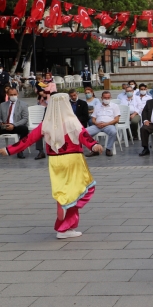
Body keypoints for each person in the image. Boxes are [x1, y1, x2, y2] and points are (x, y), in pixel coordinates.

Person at [0, 94, 103, 239]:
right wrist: (94, 145)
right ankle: (65, 227)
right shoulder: (72, 121)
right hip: (73, 160)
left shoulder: (46, 123)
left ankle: (65, 223)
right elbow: (84, 136)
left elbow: (28, 139)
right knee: (79, 191)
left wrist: (10, 149)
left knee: (62, 193)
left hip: (55, 162)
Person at [86, 91, 120, 157]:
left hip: (109, 125)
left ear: (110, 98)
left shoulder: (115, 106)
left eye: (108, 98)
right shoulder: (97, 106)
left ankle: (108, 149)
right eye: (105, 98)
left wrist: (106, 124)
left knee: (113, 132)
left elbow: (116, 119)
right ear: (101, 98)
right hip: (97, 125)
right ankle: (94, 149)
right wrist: (96, 123)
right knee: (84, 133)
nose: (106, 99)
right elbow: (93, 118)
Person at [0, 88, 29, 159]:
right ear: (8, 95)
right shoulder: (2, 105)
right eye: (11, 95)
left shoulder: (23, 105)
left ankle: (20, 150)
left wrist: (13, 125)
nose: (13, 96)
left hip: (16, 126)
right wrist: (1, 123)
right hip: (4, 126)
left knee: (24, 129)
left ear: (17, 94)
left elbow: (25, 119)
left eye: (14, 94)